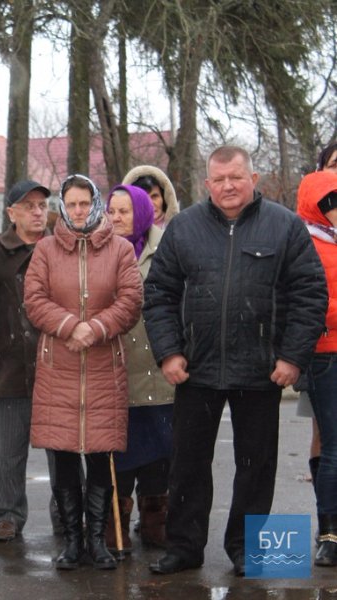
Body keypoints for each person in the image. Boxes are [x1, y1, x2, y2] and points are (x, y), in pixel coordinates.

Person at [143, 145, 328, 576]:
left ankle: (249, 549)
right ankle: (184, 546)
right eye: (220, 179)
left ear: (253, 179)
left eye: (236, 177)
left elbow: (309, 295)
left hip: (261, 370)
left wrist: (292, 357)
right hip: (196, 369)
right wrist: (169, 352)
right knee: (187, 465)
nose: (228, 186)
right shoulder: (184, 228)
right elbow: (159, 294)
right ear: (207, 183)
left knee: (256, 468)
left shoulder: (284, 226)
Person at [24, 174, 142, 571]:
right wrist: (71, 326)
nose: (77, 211)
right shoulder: (45, 249)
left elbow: (131, 299)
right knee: (63, 456)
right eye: (71, 204)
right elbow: (34, 299)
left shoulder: (121, 249)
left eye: (84, 203)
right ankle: (72, 541)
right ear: (62, 205)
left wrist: (97, 328)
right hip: (58, 367)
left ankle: (97, 540)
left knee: (100, 455)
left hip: (104, 367)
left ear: (96, 203)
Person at [0, 180, 50, 543]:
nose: (37, 212)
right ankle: (7, 516)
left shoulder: (58, 248)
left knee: (62, 451)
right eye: (29, 206)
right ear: (11, 213)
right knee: (11, 451)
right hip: (11, 365)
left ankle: (68, 513)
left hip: (55, 366)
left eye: (42, 206)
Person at [104, 184, 176, 554]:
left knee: (160, 449)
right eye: (112, 211)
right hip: (115, 369)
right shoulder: (100, 251)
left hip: (158, 367)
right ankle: (115, 519)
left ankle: (154, 519)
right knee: (121, 452)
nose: (116, 218)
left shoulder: (166, 249)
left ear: (143, 213)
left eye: (125, 211)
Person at [295, 169, 337, 566]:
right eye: (330, 203)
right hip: (325, 354)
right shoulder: (306, 243)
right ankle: (330, 534)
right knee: (333, 444)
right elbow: (311, 303)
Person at [300, 142, 337, 489]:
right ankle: (327, 514)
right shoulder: (308, 232)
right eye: (335, 164)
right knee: (325, 436)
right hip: (324, 349)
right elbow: (310, 300)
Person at [122, 165, 179, 229]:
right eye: (143, 198)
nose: (150, 203)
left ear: (164, 198)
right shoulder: (120, 232)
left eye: (154, 196)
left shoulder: (179, 229)